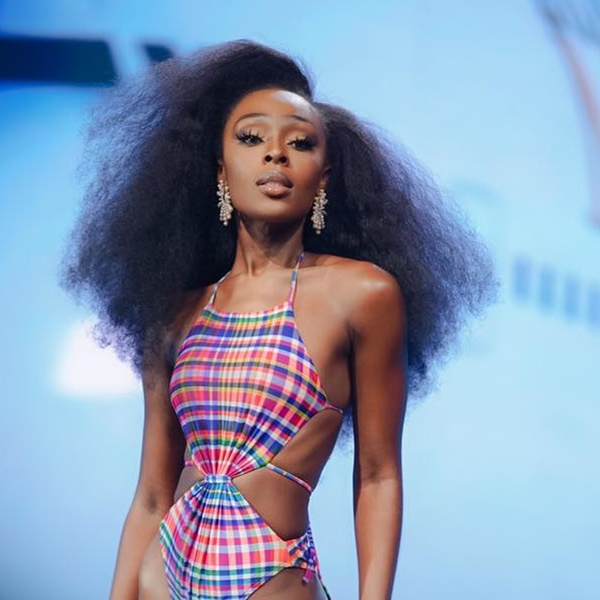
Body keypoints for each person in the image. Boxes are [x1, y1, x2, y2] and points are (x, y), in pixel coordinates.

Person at [62, 40, 495, 600]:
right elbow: (151, 496)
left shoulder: (362, 294)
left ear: (324, 177)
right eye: (251, 138)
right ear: (221, 170)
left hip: (270, 578)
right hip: (160, 578)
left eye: (300, 142)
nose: (275, 155)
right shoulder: (175, 312)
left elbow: (378, 474)